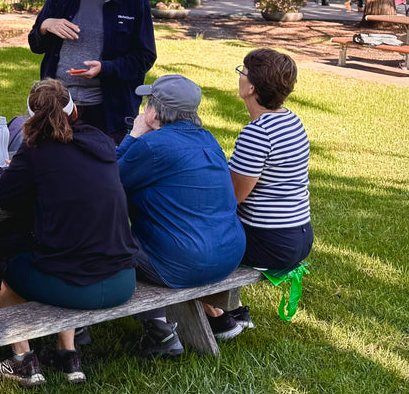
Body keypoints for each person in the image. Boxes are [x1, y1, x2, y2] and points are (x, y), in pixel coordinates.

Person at [0, 79, 138, 385]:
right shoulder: (103, 143)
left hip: (75, 284)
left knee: (0, 251)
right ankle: (67, 353)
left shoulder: (37, 151)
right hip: (123, 279)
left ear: (31, 118)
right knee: (67, 245)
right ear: (74, 109)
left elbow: (3, 197)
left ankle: (22, 359)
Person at [116, 74, 248, 348]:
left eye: (148, 103)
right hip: (228, 256)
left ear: (154, 112)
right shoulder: (208, 139)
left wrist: (133, 135)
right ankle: (216, 316)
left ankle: (158, 329)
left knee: (111, 239)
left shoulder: (151, 145)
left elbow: (109, 182)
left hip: (184, 264)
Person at [27, 0, 157, 144]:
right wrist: (46, 25)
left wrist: (105, 68)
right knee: (55, 172)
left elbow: (145, 57)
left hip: (107, 112)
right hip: (58, 107)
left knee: (101, 174)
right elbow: (35, 45)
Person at [230, 49, 313, 273]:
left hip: (269, 243)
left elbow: (234, 196)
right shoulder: (292, 120)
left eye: (242, 71)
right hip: (300, 236)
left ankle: (223, 308)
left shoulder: (258, 133)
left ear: (251, 88)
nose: (239, 75)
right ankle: (222, 309)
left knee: (192, 250)